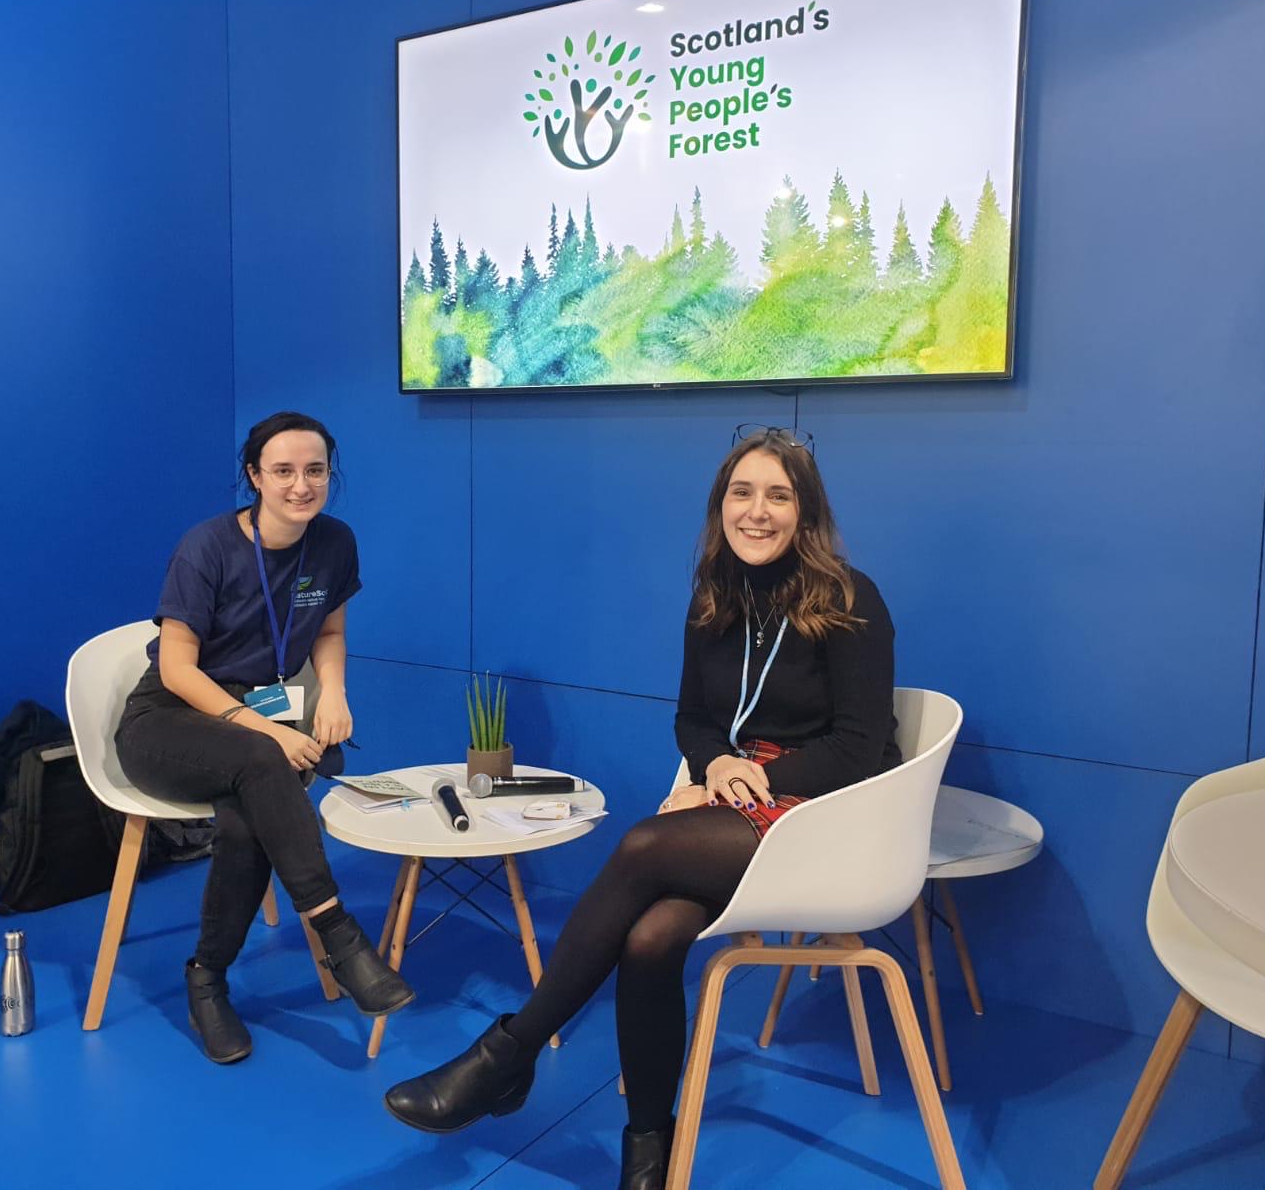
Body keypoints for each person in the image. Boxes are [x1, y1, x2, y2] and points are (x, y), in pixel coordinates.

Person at [384, 426, 901, 1188]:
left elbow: (860, 746)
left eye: (779, 496)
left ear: (807, 511)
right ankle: (648, 1152)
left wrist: (759, 777)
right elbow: (693, 719)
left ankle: (509, 1053)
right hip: (742, 795)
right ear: (720, 505)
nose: (757, 512)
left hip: (827, 809)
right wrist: (718, 761)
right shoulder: (715, 595)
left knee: (643, 847)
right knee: (653, 938)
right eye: (742, 493)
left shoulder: (851, 598)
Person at [114, 410, 413, 1064]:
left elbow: (328, 634)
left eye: (315, 470)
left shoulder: (334, 542)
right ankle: (339, 932)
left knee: (251, 821)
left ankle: (207, 980)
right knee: (262, 757)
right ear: (254, 476)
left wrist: (332, 693)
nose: (301, 485)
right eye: (283, 471)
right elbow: (176, 669)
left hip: (255, 720)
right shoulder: (207, 547)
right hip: (166, 722)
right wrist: (268, 733)